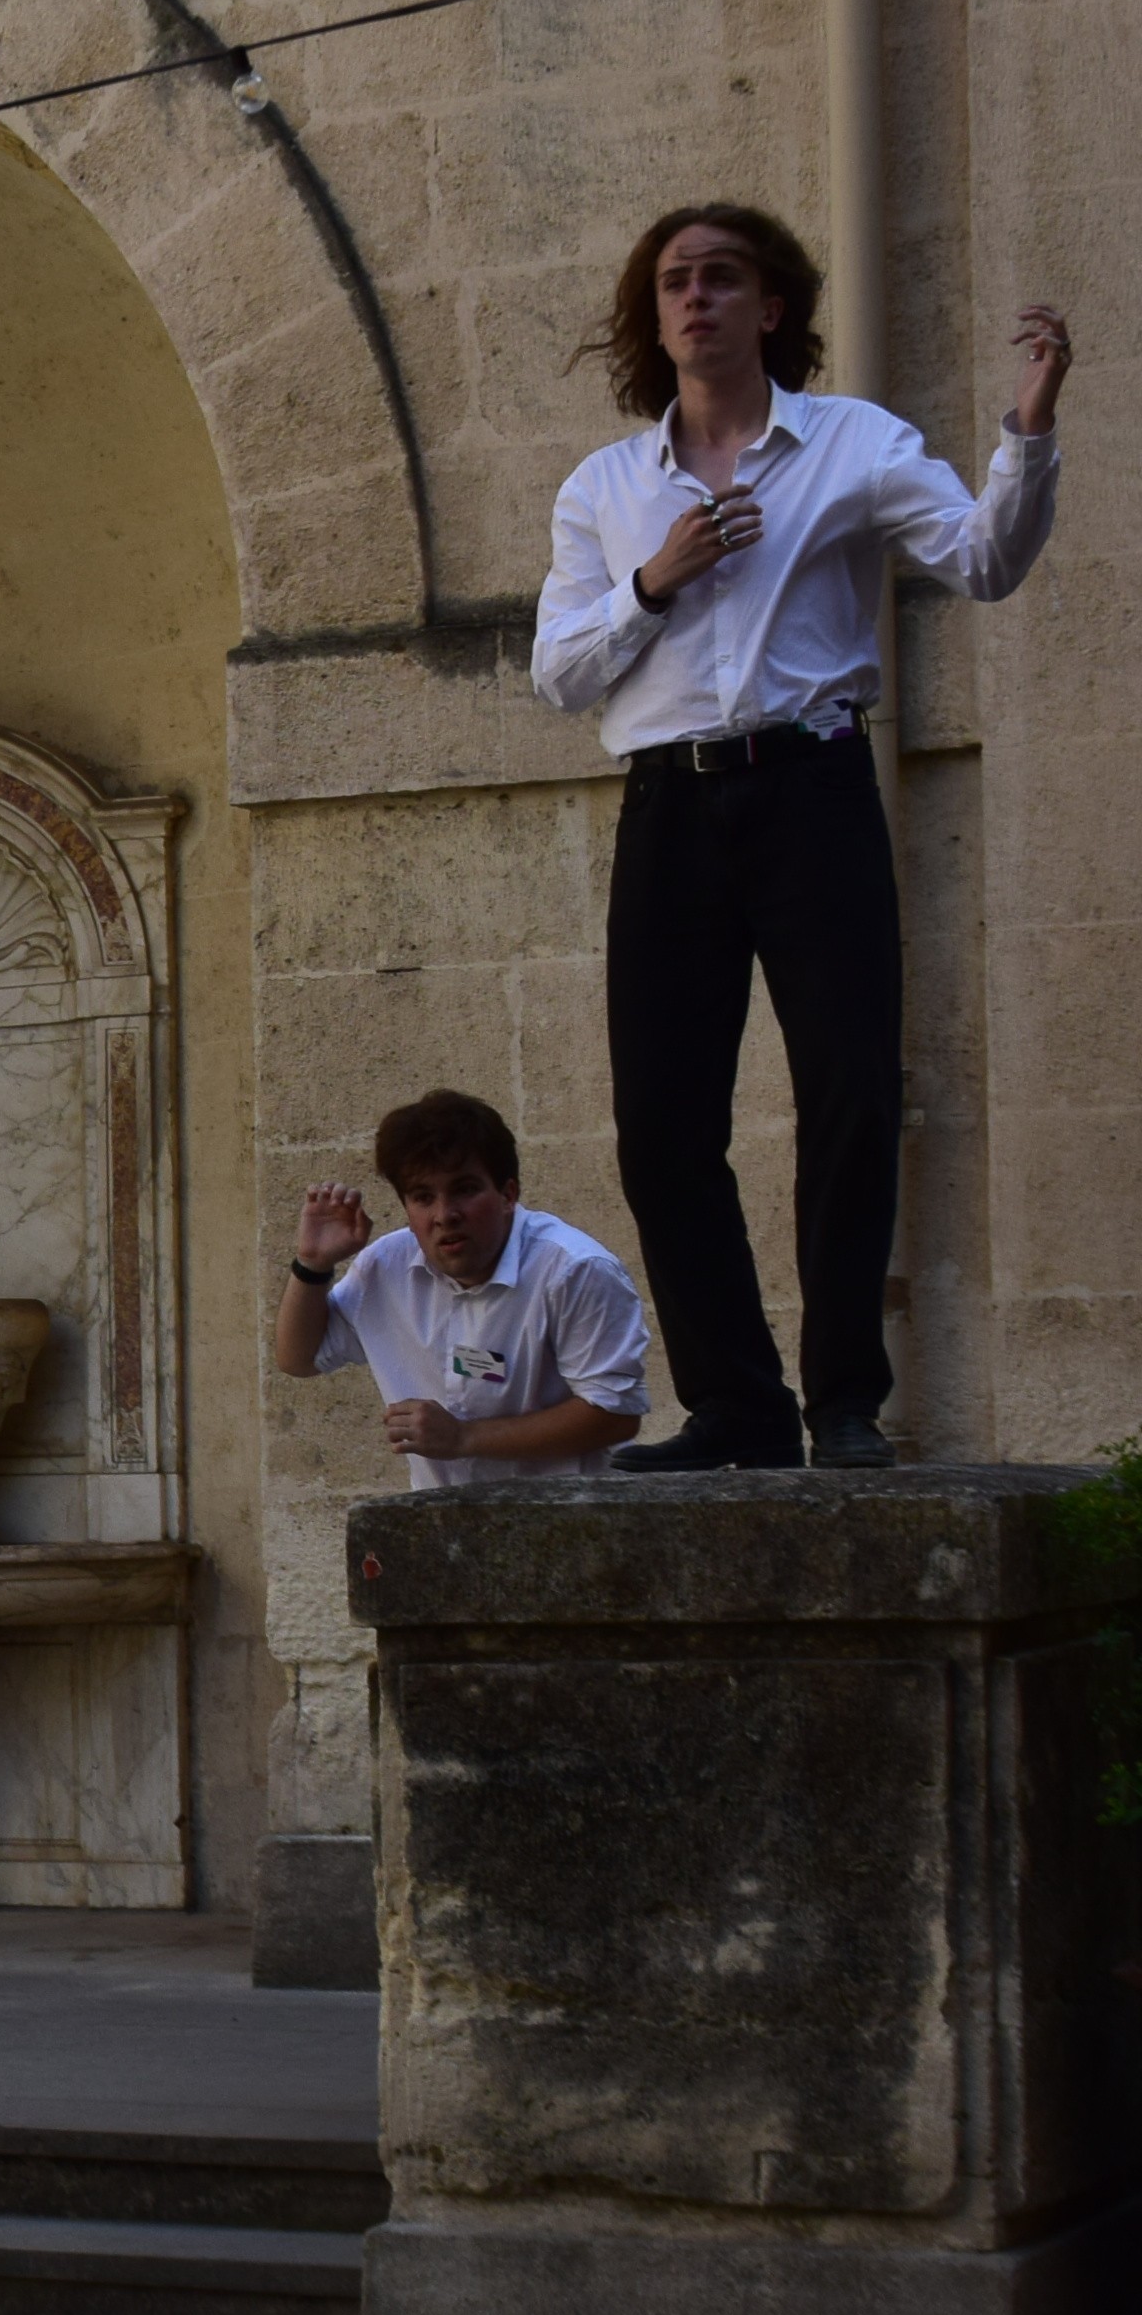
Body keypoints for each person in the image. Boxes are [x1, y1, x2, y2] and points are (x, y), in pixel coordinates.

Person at [531, 203, 1069, 1472]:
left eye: (720, 277)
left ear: (768, 307)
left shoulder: (850, 443)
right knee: (661, 1123)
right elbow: (557, 674)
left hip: (812, 790)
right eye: (673, 280)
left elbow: (981, 562)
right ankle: (735, 1406)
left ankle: (841, 1403)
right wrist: (652, 582)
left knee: (847, 1094)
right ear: (652, 312)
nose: (694, 297)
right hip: (669, 805)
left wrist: (1027, 431)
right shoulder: (605, 488)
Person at [276, 1091, 648, 1491]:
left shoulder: (575, 1271)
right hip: (439, 1520)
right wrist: (312, 1265)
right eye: (423, 1197)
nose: (445, 1215)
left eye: (465, 1189)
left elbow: (615, 1414)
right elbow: (299, 1359)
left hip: (563, 1517)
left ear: (507, 1194)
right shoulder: (385, 1267)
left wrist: (464, 1438)